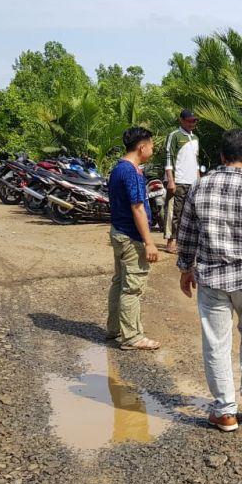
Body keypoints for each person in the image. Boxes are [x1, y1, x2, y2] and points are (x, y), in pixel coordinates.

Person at [175, 129, 242, 431]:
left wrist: (185, 269)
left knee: (216, 344)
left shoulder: (200, 187)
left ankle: (224, 412)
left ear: (221, 157)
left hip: (211, 279)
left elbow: (186, 234)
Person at [106, 127, 161, 351]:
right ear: (142, 147)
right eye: (151, 145)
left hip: (119, 231)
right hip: (131, 236)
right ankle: (132, 337)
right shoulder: (131, 172)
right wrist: (149, 242)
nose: (152, 149)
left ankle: (114, 328)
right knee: (132, 288)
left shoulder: (119, 168)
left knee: (119, 282)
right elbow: (137, 207)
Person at [164, 108, 200, 254]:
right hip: (178, 180)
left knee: (187, 214)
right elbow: (168, 157)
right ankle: (170, 241)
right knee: (174, 212)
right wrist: (171, 180)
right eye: (190, 121)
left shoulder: (195, 138)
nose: (193, 123)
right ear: (182, 120)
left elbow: (196, 160)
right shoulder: (175, 136)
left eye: (195, 121)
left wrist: (198, 178)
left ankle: (181, 241)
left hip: (192, 181)